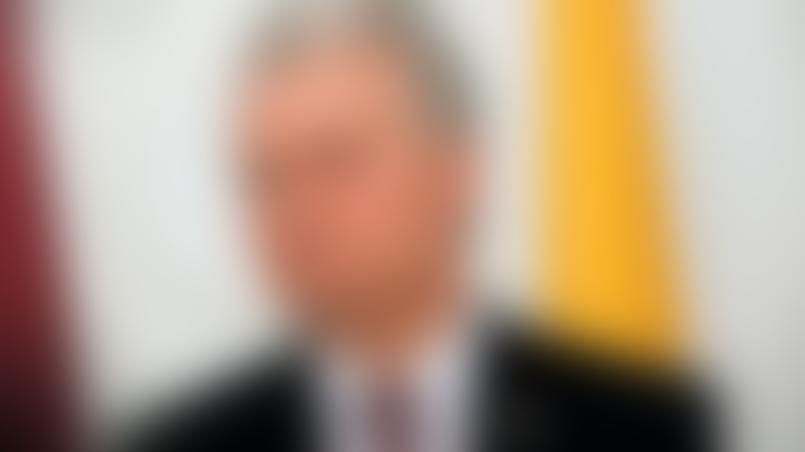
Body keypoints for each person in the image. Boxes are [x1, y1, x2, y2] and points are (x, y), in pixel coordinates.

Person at [129, 1, 706, 451]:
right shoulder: (179, 444)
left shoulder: (633, 430)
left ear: (457, 171)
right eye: (265, 178)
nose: (295, 208)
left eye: (336, 161)